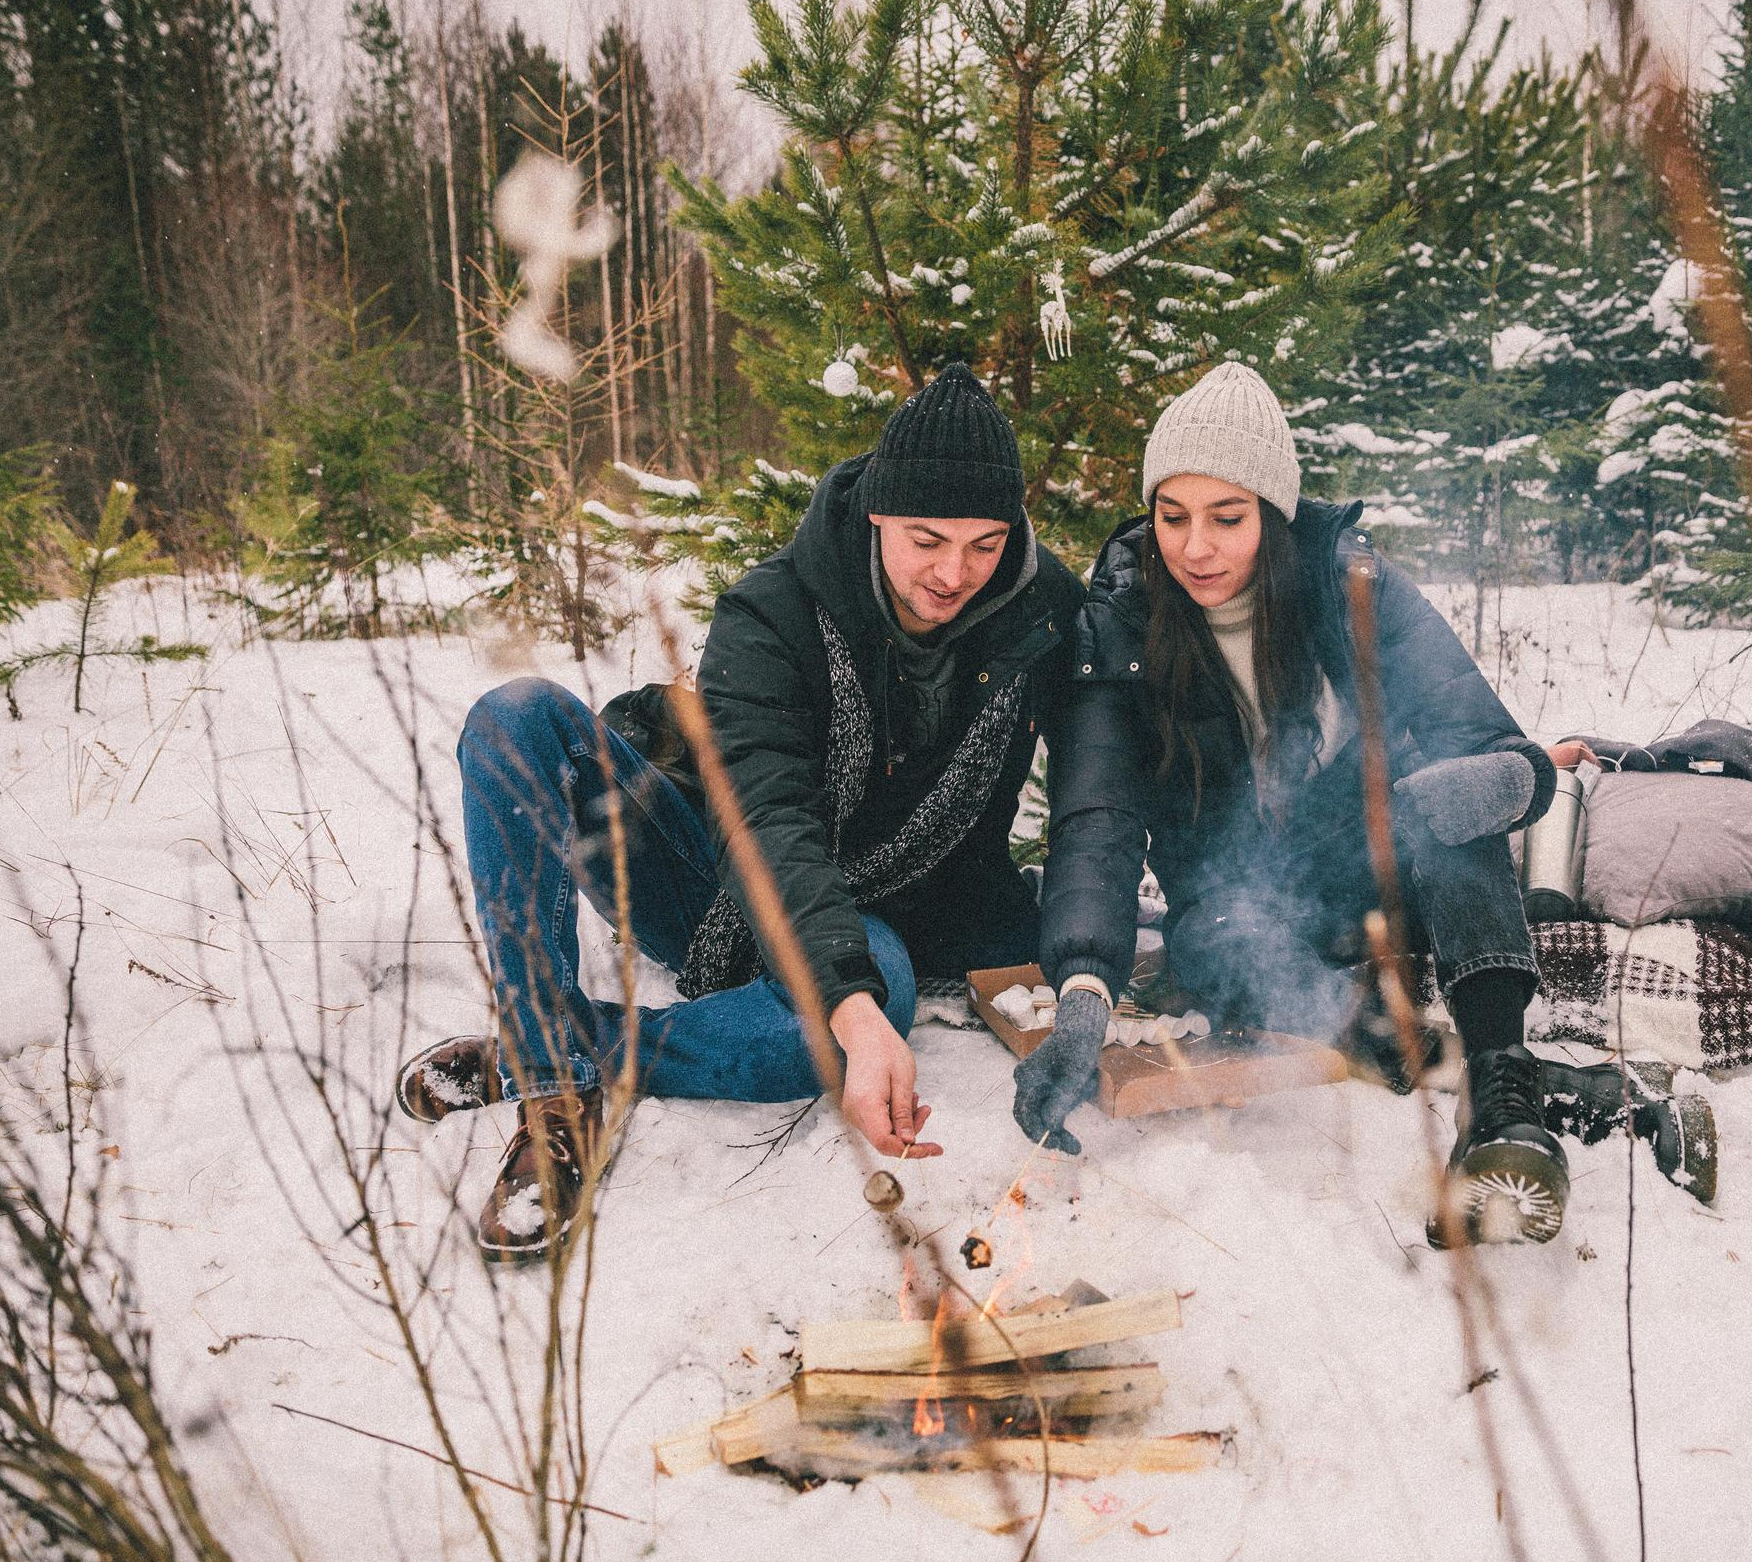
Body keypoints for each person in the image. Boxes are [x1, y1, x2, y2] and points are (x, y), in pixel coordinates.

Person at [401, 362, 1084, 1262]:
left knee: (880, 990)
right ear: (879, 512)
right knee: (513, 717)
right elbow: (765, 821)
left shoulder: (1042, 615)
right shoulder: (774, 612)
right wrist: (847, 1000)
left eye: (984, 544)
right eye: (927, 539)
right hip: (704, 865)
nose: (954, 572)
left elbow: (1096, 793)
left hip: (876, 910)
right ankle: (557, 1090)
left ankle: (552, 1040)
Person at [1019, 362, 1587, 1245]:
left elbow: (1480, 733)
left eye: (1227, 518)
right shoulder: (1122, 622)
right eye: (1173, 517)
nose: (1195, 548)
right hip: (1235, 900)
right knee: (1210, 942)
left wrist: (1519, 779)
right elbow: (1097, 815)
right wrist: (1085, 987)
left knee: (1444, 807)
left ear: (1274, 514)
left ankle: (1506, 1094)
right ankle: (1406, 1049)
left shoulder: (1345, 580)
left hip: (1366, 851)